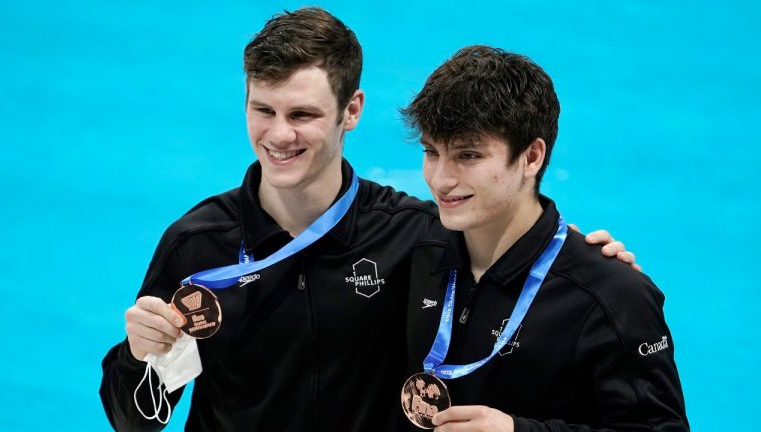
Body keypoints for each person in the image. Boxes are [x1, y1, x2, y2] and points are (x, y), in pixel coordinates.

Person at [99, 8, 636, 432]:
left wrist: (596, 266)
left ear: (351, 111)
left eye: (303, 115)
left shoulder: (420, 236)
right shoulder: (197, 245)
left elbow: (520, 256)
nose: (279, 135)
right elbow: (134, 421)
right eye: (264, 110)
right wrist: (138, 357)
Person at [398, 46, 689, 431]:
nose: (441, 179)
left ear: (531, 157)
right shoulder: (413, 247)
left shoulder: (611, 296)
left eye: (468, 156)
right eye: (432, 152)